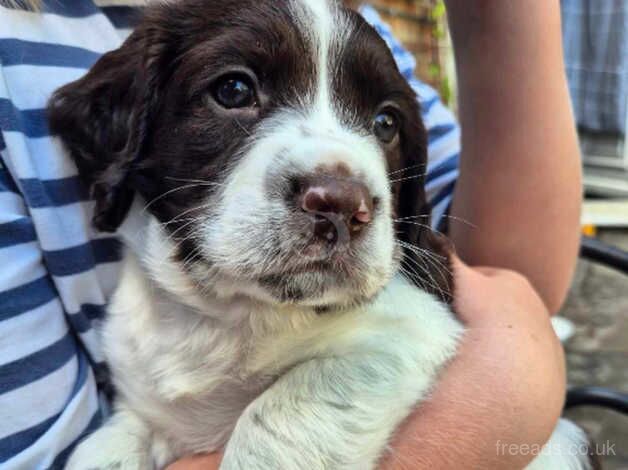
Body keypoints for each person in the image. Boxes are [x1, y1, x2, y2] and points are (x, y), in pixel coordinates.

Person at [0, 0, 581, 468]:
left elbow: (506, 277)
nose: (343, 197)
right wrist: (502, 392)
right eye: (235, 91)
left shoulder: (355, 19)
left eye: (382, 124)